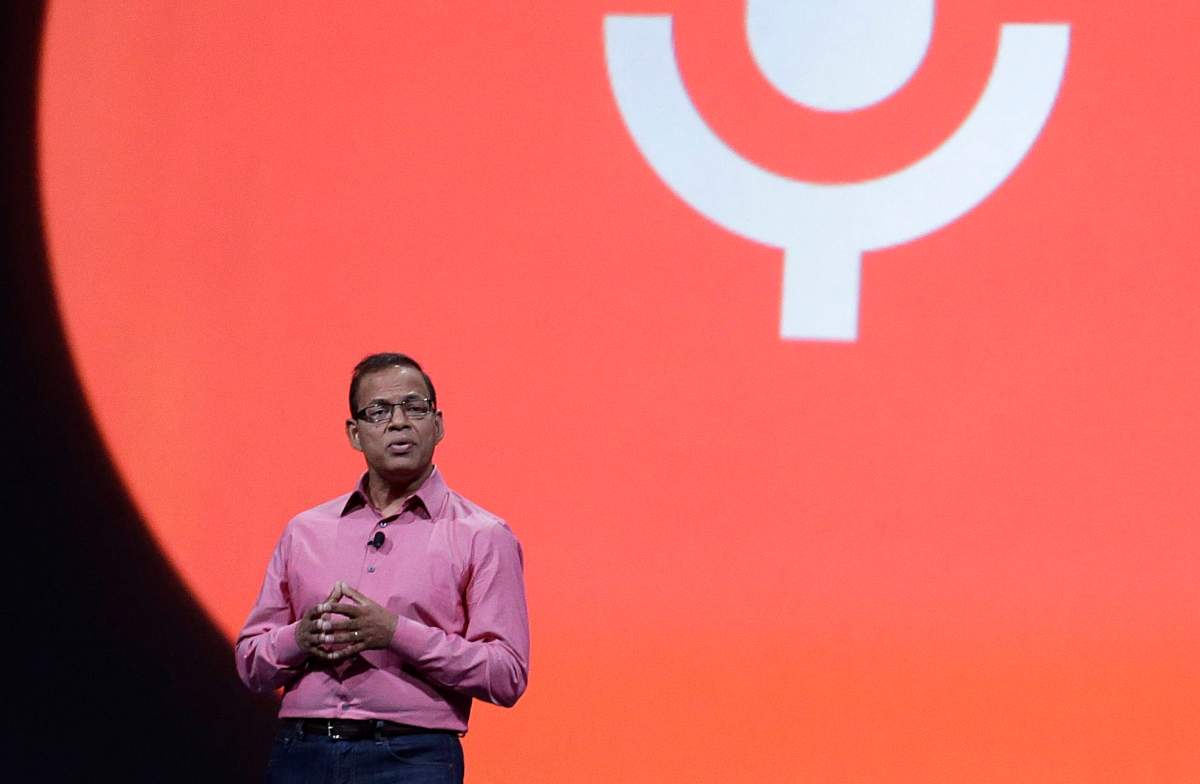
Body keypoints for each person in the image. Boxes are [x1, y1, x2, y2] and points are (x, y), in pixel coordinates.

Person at [236, 353, 530, 783]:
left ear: (438, 423)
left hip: (411, 758)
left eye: (414, 407)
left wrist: (394, 633)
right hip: (302, 753)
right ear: (355, 433)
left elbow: (506, 675)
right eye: (379, 411)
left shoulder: (482, 535)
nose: (398, 422)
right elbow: (251, 662)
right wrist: (299, 637)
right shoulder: (305, 531)